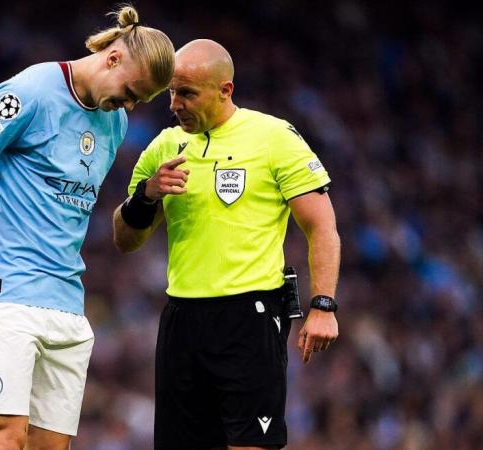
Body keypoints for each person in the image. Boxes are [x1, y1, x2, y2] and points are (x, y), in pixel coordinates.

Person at [0, 6, 174, 450]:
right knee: (4, 438)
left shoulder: (114, 123)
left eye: (140, 101)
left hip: (66, 306)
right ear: (113, 59)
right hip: (4, 296)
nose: (130, 106)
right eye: (130, 93)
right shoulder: (31, 92)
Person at [112, 39, 340, 450]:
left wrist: (322, 304)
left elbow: (321, 225)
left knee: (250, 444)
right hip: (181, 318)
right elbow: (125, 240)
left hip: (249, 316)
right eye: (172, 93)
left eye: (187, 93)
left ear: (225, 90)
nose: (174, 104)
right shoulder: (164, 147)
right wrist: (145, 196)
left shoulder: (274, 137)